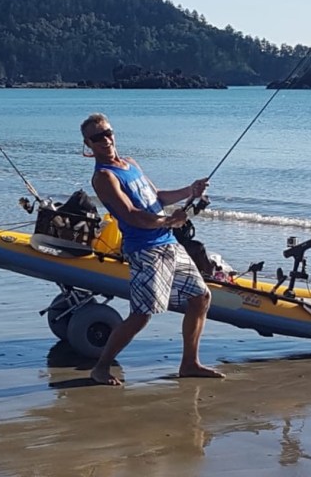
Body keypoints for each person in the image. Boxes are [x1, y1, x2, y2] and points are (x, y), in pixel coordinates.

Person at [80, 112, 225, 386]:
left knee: (201, 297)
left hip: (168, 243)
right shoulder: (103, 177)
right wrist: (169, 220)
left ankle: (189, 363)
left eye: (108, 132)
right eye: (97, 137)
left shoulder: (130, 164)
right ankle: (101, 368)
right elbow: (131, 214)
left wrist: (190, 191)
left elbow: (156, 197)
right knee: (141, 315)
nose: (105, 140)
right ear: (88, 144)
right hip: (145, 250)